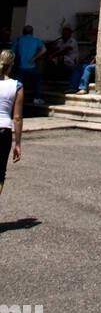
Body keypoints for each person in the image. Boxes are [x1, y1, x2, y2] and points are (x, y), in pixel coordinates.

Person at [0, 49, 23, 198]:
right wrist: (18, 144)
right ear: (12, 64)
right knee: (0, 173)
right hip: (4, 131)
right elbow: (17, 117)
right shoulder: (17, 86)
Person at [11, 24, 47, 105]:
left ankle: (16, 99)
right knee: (37, 80)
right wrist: (35, 58)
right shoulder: (36, 40)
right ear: (32, 32)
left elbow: (11, 52)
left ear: (23, 32)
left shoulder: (18, 40)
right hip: (31, 66)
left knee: (18, 84)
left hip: (20, 66)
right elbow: (44, 49)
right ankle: (37, 98)